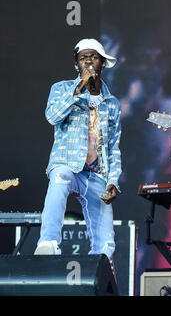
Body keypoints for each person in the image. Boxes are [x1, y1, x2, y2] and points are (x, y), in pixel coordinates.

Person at [34, 38, 122, 261]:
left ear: (103, 63)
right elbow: (52, 117)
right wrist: (78, 88)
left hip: (95, 174)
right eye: (83, 58)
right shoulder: (62, 89)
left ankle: (97, 278)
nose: (89, 61)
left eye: (94, 57)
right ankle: (48, 242)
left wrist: (113, 180)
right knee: (60, 177)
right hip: (68, 165)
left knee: (105, 245)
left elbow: (113, 146)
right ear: (77, 65)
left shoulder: (111, 102)